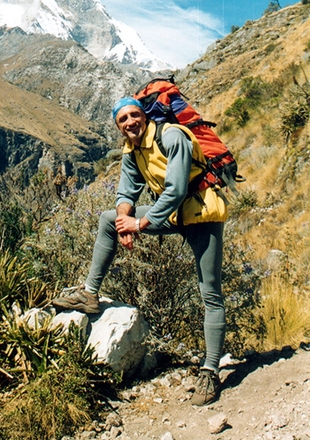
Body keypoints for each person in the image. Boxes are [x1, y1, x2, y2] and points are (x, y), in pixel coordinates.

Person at [53, 97, 228, 406]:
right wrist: (124, 221)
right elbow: (126, 191)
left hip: (201, 212)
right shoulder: (131, 149)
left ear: (145, 116)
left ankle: (211, 370)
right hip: (172, 214)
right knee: (108, 220)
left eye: (135, 115)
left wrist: (140, 224)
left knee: (210, 292)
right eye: (123, 119)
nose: (130, 122)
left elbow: (174, 188)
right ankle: (90, 293)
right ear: (118, 126)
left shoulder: (171, 135)